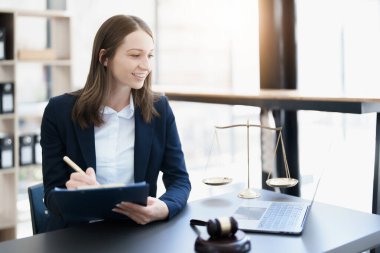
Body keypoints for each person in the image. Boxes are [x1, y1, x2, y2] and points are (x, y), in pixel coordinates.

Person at [41, 14, 191, 231]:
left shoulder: (159, 109)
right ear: (104, 58)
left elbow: (180, 180)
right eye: (135, 55)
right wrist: (75, 195)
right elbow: (51, 195)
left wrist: (165, 207)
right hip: (77, 234)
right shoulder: (59, 112)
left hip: (137, 231)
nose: (146, 65)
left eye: (150, 55)